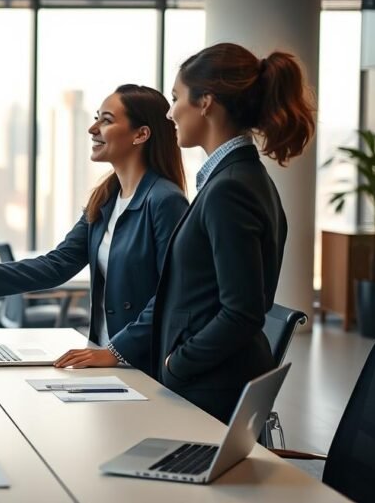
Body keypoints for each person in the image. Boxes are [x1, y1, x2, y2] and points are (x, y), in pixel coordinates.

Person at [0, 84, 188, 374]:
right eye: (97, 117)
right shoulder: (107, 197)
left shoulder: (165, 201)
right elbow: (56, 265)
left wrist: (116, 351)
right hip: (101, 358)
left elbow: (171, 295)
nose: (92, 128)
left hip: (139, 364)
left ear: (141, 134)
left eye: (106, 120)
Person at [123, 42, 315, 423]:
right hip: (209, 382)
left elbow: (242, 312)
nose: (169, 111)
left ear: (206, 102)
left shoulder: (230, 188)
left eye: (176, 97)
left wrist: (176, 364)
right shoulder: (234, 178)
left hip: (209, 389)